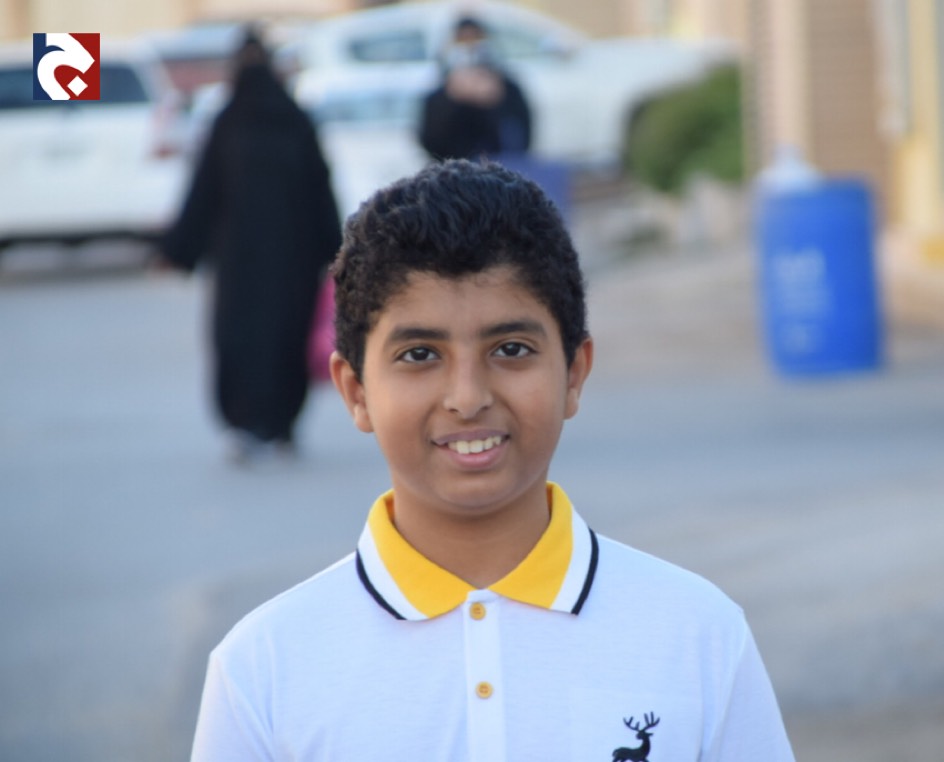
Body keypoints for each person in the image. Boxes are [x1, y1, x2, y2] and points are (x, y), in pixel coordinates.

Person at [189, 160, 795, 760]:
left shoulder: (698, 635)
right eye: (420, 354)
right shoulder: (264, 669)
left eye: (511, 348)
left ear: (574, 374)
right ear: (356, 392)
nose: (468, 397)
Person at [161, 28, 342, 463]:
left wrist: (179, 250)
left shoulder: (230, 122)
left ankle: (246, 423)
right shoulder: (294, 120)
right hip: (292, 261)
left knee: (242, 340)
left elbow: (203, 193)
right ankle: (278, 424)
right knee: (284, 337)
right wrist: (334, 249)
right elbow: (321, 192)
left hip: (239, 261)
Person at [417, 15, 532, 161]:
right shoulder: (440, 96)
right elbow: (431, 143)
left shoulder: (508, 90)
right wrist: (454, 99)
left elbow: (520, 139)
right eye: (463, 40)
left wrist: (492, 102)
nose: (470, 46)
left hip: (500, 167)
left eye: (476, 39)